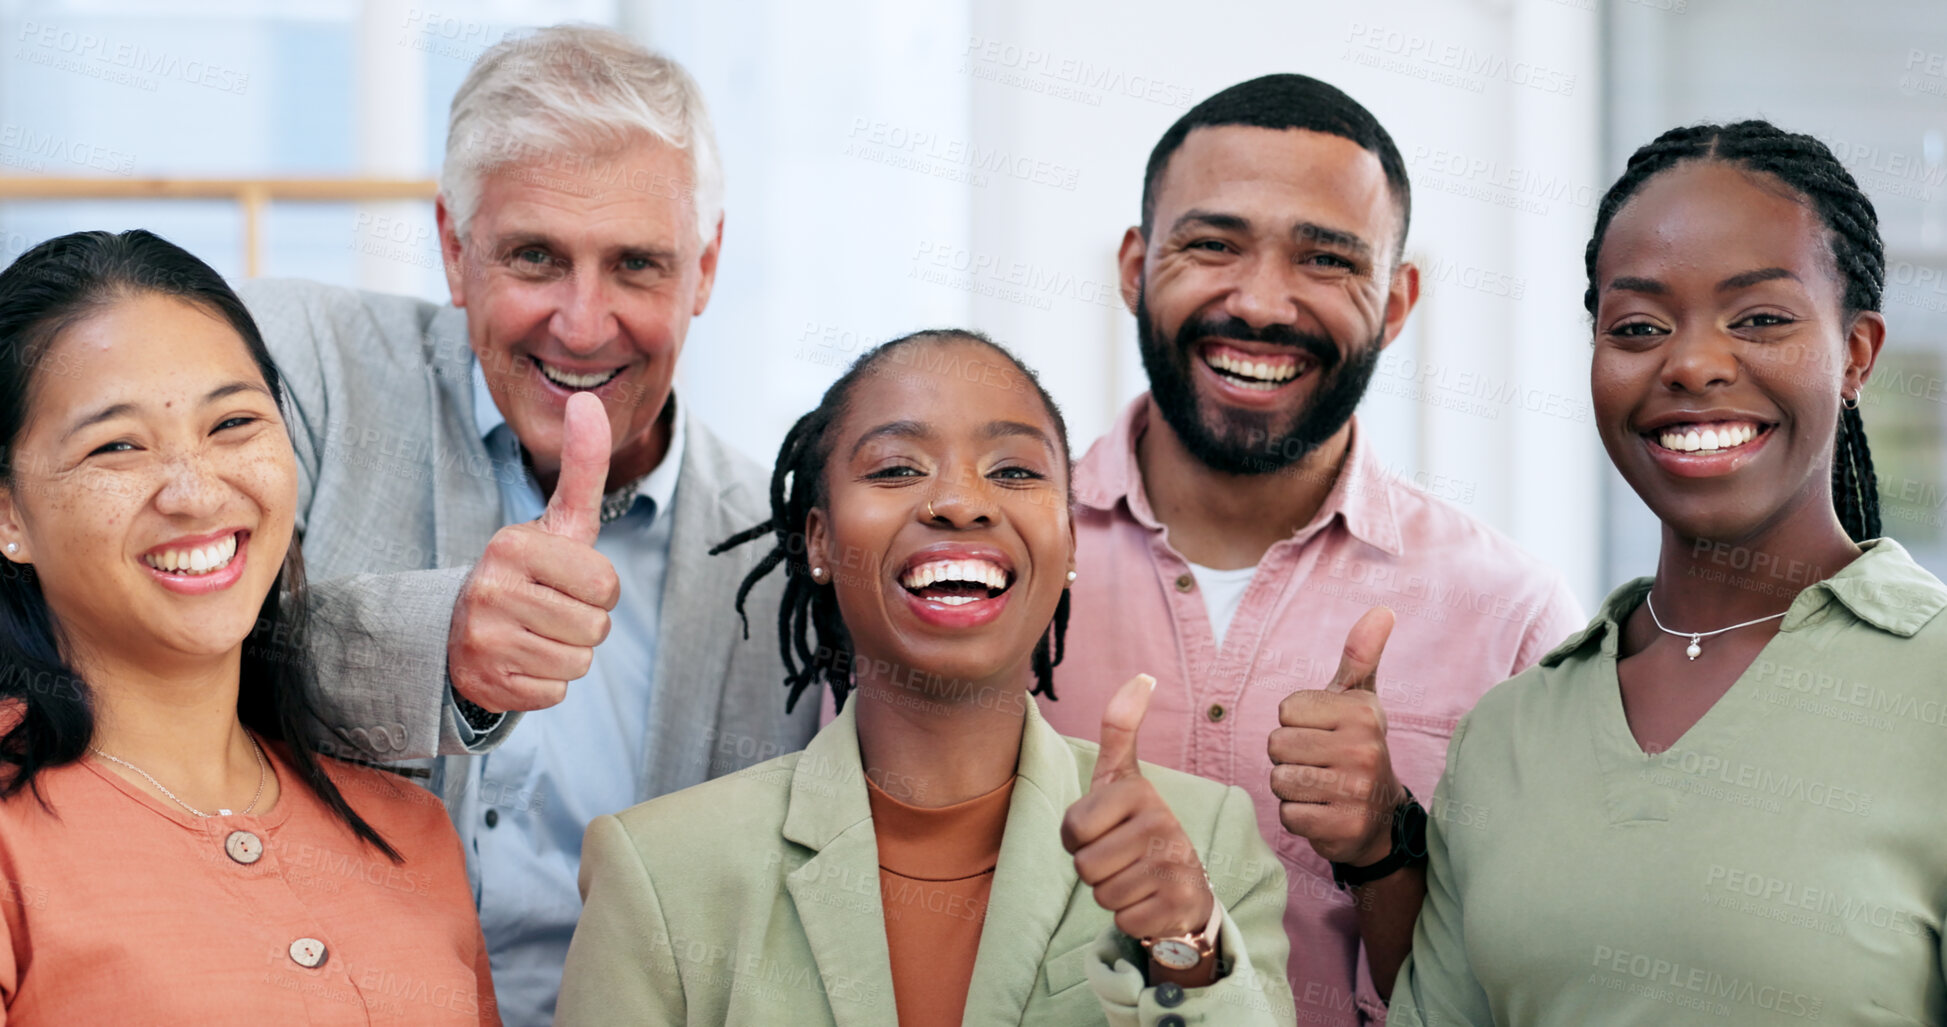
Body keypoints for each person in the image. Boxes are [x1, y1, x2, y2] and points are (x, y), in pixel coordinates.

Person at [236, 26, 812, 1024]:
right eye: (536, 256)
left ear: (706, 268)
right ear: (455, 249)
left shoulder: (778, 547)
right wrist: (440, 651)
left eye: (637, 264)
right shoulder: (297, 366)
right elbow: (177, 655)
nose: (583, 325)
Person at [1032, 73, 1584, 1023]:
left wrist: (1387, 845)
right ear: (1133, 265)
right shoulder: (991, 571)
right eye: (1212, 245)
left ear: (1397, 300)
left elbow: (1530, 994)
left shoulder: (1513, 619)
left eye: (1326, 260)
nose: (1260, 303)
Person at [556, 330, 1295, 1025]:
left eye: (1012, 471)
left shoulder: (1205, 844)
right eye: (896, 468)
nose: (960, 502)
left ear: (1067, 539)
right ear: (819, 539)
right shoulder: (659, 868)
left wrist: (1185, 944)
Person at [1387, 120, 1947, 1025]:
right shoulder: (1507, 733)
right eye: (1638, 326)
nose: (1690, 362)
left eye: (1759, 318)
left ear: (1856, 353)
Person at [0, 229, 495, 1023]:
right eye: (117, 444)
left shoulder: (410, 832)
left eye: (232, 423)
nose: (195, 492)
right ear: (7, 512)